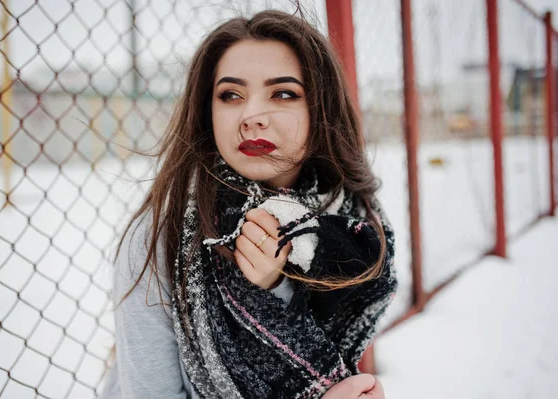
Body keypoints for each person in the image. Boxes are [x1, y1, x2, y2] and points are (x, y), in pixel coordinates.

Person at [99, 8, 397, 399]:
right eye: (231, 95)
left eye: (284, 93)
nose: (251, 116)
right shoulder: (162, 235)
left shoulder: (350, 220)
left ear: (320, 110)